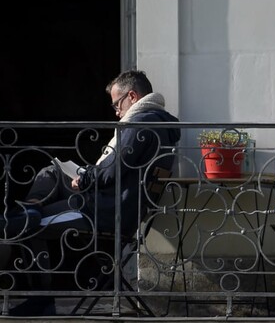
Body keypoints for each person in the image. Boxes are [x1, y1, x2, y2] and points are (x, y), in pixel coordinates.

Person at [2, 69, 181, 315]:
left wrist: (85, 177)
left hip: (103, 211)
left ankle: (40, 300)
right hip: (109, 203)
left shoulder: (141, 124)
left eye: (117, 105)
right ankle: (30, 208)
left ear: (132, 96)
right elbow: (116, 169)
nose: (117, 112)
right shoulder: (156, 124)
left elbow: (111, 172)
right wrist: (86, 174)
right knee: (52, 171)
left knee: (29, 227)